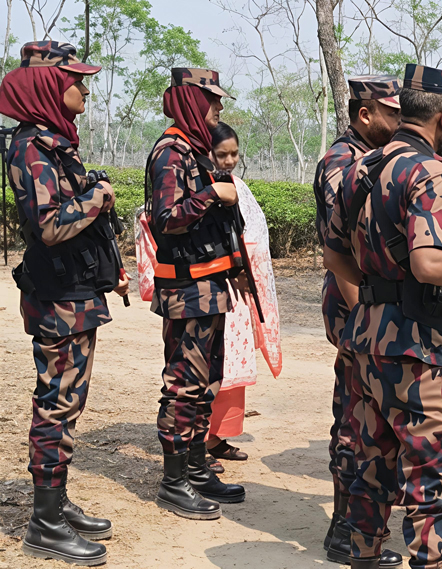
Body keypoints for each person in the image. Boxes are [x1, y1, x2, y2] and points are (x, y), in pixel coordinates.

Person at [323, 63, 442, 569]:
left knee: (371, 471)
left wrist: (370, 294)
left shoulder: (360, 167)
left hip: (366, 343)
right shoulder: (426, 170)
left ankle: (362, 560)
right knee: (433, 479)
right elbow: (428, 262)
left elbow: (333, 255)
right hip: (420, 350)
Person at [1, 40, 129, 567]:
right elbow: (51, 225)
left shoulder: (56, 144)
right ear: (50, 86)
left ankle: (57, 503)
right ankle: (44, 522)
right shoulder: (31, 148)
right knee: (56, 403)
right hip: (58, 297)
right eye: (77, 79)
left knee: (69, 404)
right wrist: (98, 196)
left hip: (76, 292)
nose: (86, 88)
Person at [312, 75, 404, 567]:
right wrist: (359, 322)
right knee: (353, 418)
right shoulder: (341, 163)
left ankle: (354, 525)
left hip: (369, 311)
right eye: (391, 113)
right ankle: (345, 531)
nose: (398, 122)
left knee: (365, 416)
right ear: (364, 114)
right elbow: (337, 253)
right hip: (355, 310)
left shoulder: (376, 159)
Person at [147, 68, 246, 521]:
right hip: (186, 288)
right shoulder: (171, 153)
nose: (218, 109)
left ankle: (196, 465)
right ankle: (173, 480)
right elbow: (166, 218)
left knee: (206, 382)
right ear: (190, 100)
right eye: (211, 101)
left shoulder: (194, 150)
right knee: (184, 385)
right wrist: (212, 194)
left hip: (209, 285)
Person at [202, 121, 282, 473]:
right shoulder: (201, 187)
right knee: (208, 366)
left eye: (234, 153)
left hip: (240, 290)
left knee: (233, 364)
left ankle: (218, 436)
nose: (230, 160)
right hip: (213, 288)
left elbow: (253, 233)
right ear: (207, 153)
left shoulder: (237, 186)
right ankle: (196, 442)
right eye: (223, 154)